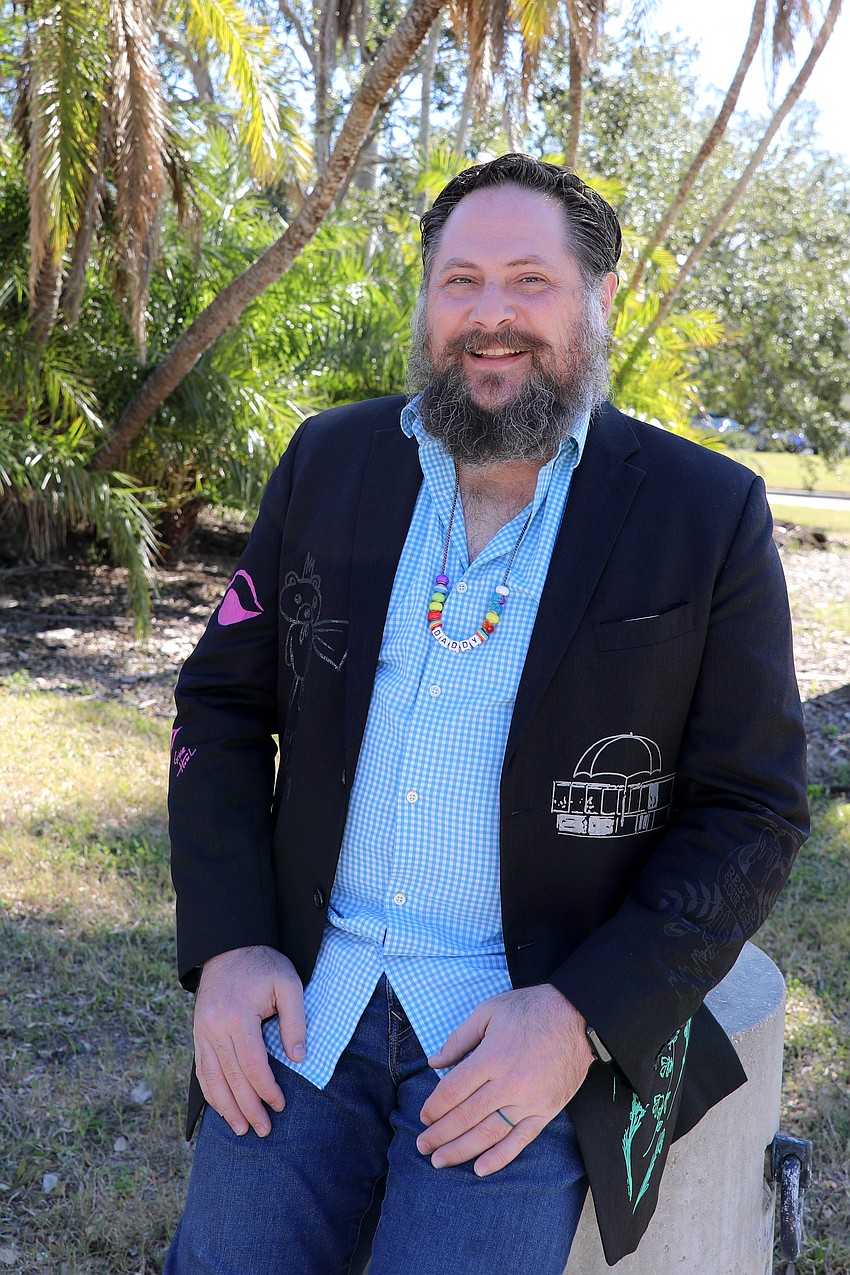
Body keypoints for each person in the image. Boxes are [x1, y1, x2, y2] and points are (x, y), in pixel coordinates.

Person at [164, 154, 808, 1273]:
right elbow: (220, 703)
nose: (490, 317)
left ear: (597, 300)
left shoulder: (704, 513)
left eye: (528, 281)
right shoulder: (329, 461)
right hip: (310, 1001)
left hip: (515, 1029)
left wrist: (577, 1019)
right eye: (459, 281)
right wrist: (228, 946)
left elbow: (751, 811)